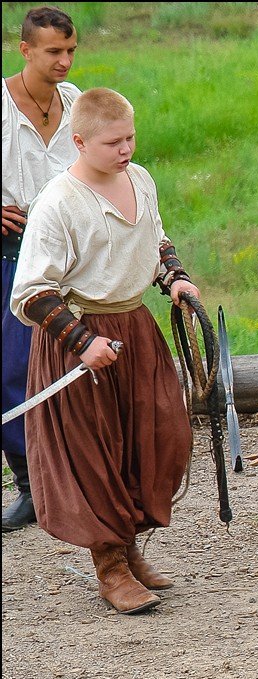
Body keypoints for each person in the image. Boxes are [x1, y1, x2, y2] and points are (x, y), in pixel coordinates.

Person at [9, 87, 199, 614]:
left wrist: (175, 278)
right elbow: (31, 293)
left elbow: (155, 238)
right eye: (113, 142)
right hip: (79, 341)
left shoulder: (139, 179)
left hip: (135, 327)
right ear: (79, 141)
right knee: (95, 455)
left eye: (130, 138)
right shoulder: (57, 203)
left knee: (160, 435)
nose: (125, 150)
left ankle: (129, 545)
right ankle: (111, 565)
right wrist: (82, 340)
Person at [2, 5, 81, 532]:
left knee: (75, 365)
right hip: (11, 255)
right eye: (54, 52)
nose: (65, 62)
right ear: (26, 49)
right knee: (13, 371)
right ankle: (30, 484)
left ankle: (77, 481)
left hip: (70, 261)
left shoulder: (76, 104)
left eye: (72, 51)